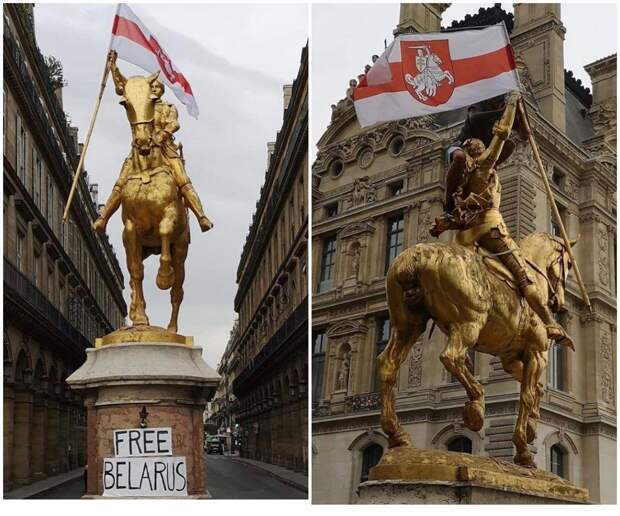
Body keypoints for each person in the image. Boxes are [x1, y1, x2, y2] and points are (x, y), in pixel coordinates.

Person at [431, 91, 573, 348]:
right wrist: (510, 106)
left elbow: (504, 141)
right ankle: (549, 321)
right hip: (491, 232)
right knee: (525, 277)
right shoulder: (483, 166)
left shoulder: (469, 182)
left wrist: (445, 222)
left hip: (464, 237)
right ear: (478, 150)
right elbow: (502, 137)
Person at [92, 51, 213, 234]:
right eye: (153, 86)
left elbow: (174, 123)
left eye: (158, 86)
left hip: (165, 150)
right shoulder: (141, 106)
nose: (155, 88)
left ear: (162, 90)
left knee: (182, 180)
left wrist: (163, 135)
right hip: (140, 150)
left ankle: (201, 216)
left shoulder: (167, 108)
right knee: (121, 182)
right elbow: (123, 87)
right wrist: (113, 67)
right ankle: (104, 218)